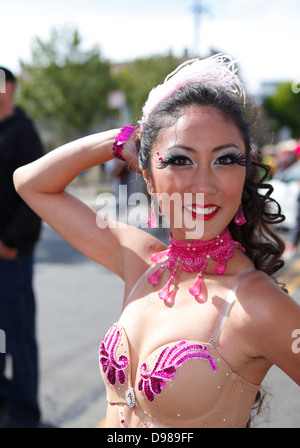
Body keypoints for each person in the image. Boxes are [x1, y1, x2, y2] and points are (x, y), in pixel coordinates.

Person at [13, 55, 300, 428]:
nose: (204, 184)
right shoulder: (141, 260)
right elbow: (30, 183)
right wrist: (118, 141)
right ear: (147, 177)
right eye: (180, 160)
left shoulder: (256, 304)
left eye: (225, 159)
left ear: (245, 172)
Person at [0, 67, 44, 427]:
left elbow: (37, 194)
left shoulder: (22, 132)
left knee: (18, 337)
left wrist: (11, 243)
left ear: (8, 88)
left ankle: (25, 413)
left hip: (11, 257)